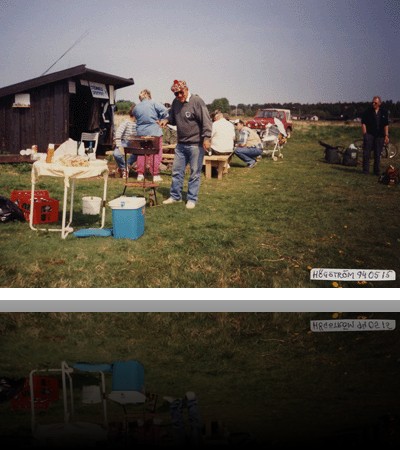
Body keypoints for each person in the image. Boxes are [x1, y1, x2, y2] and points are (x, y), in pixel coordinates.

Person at [159, 80, 212, 209]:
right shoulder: (176, 102)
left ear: (186, 89)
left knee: (194, 173)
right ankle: (175, 196)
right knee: (176, 172)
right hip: (181, 144)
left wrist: (206, 138)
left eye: (181, 93)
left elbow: (206, 121)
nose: (179, 96)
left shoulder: (197, 101)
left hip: (196, 145)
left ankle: (192, 199)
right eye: (176, 94)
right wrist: (166, 120)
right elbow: (172, 117)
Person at [133, 89, 168, 182]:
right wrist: (160, 119)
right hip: (154, 131)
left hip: (141, 133)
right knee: (155, 153)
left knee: (141, 153)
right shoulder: (154, 103)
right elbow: (165, 111)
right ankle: (155, 174)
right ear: (148, 95)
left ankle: (140, 174)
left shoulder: (136, 107)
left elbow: (135, 116)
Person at [361, 96, 389, 175]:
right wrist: (365, 134)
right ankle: (365, 170)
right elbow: (363, 123)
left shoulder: (384, 112)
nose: (373, 104)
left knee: (377, 154)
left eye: (375, 103)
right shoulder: (367, 112)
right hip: (369, 135)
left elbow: (386, 125)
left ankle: (376, 171)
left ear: (379, 103)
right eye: (373, 102)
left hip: (380, 136)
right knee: (366, 153)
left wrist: (386, 135)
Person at [113, 104, 137, 178]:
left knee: (140, 153)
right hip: (124, 142)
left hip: (134, 143)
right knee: (116, 154)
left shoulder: (139, 123)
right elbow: (118, 133)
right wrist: (119, 145)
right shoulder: (126, 122)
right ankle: (124, 168)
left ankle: (126, 166)